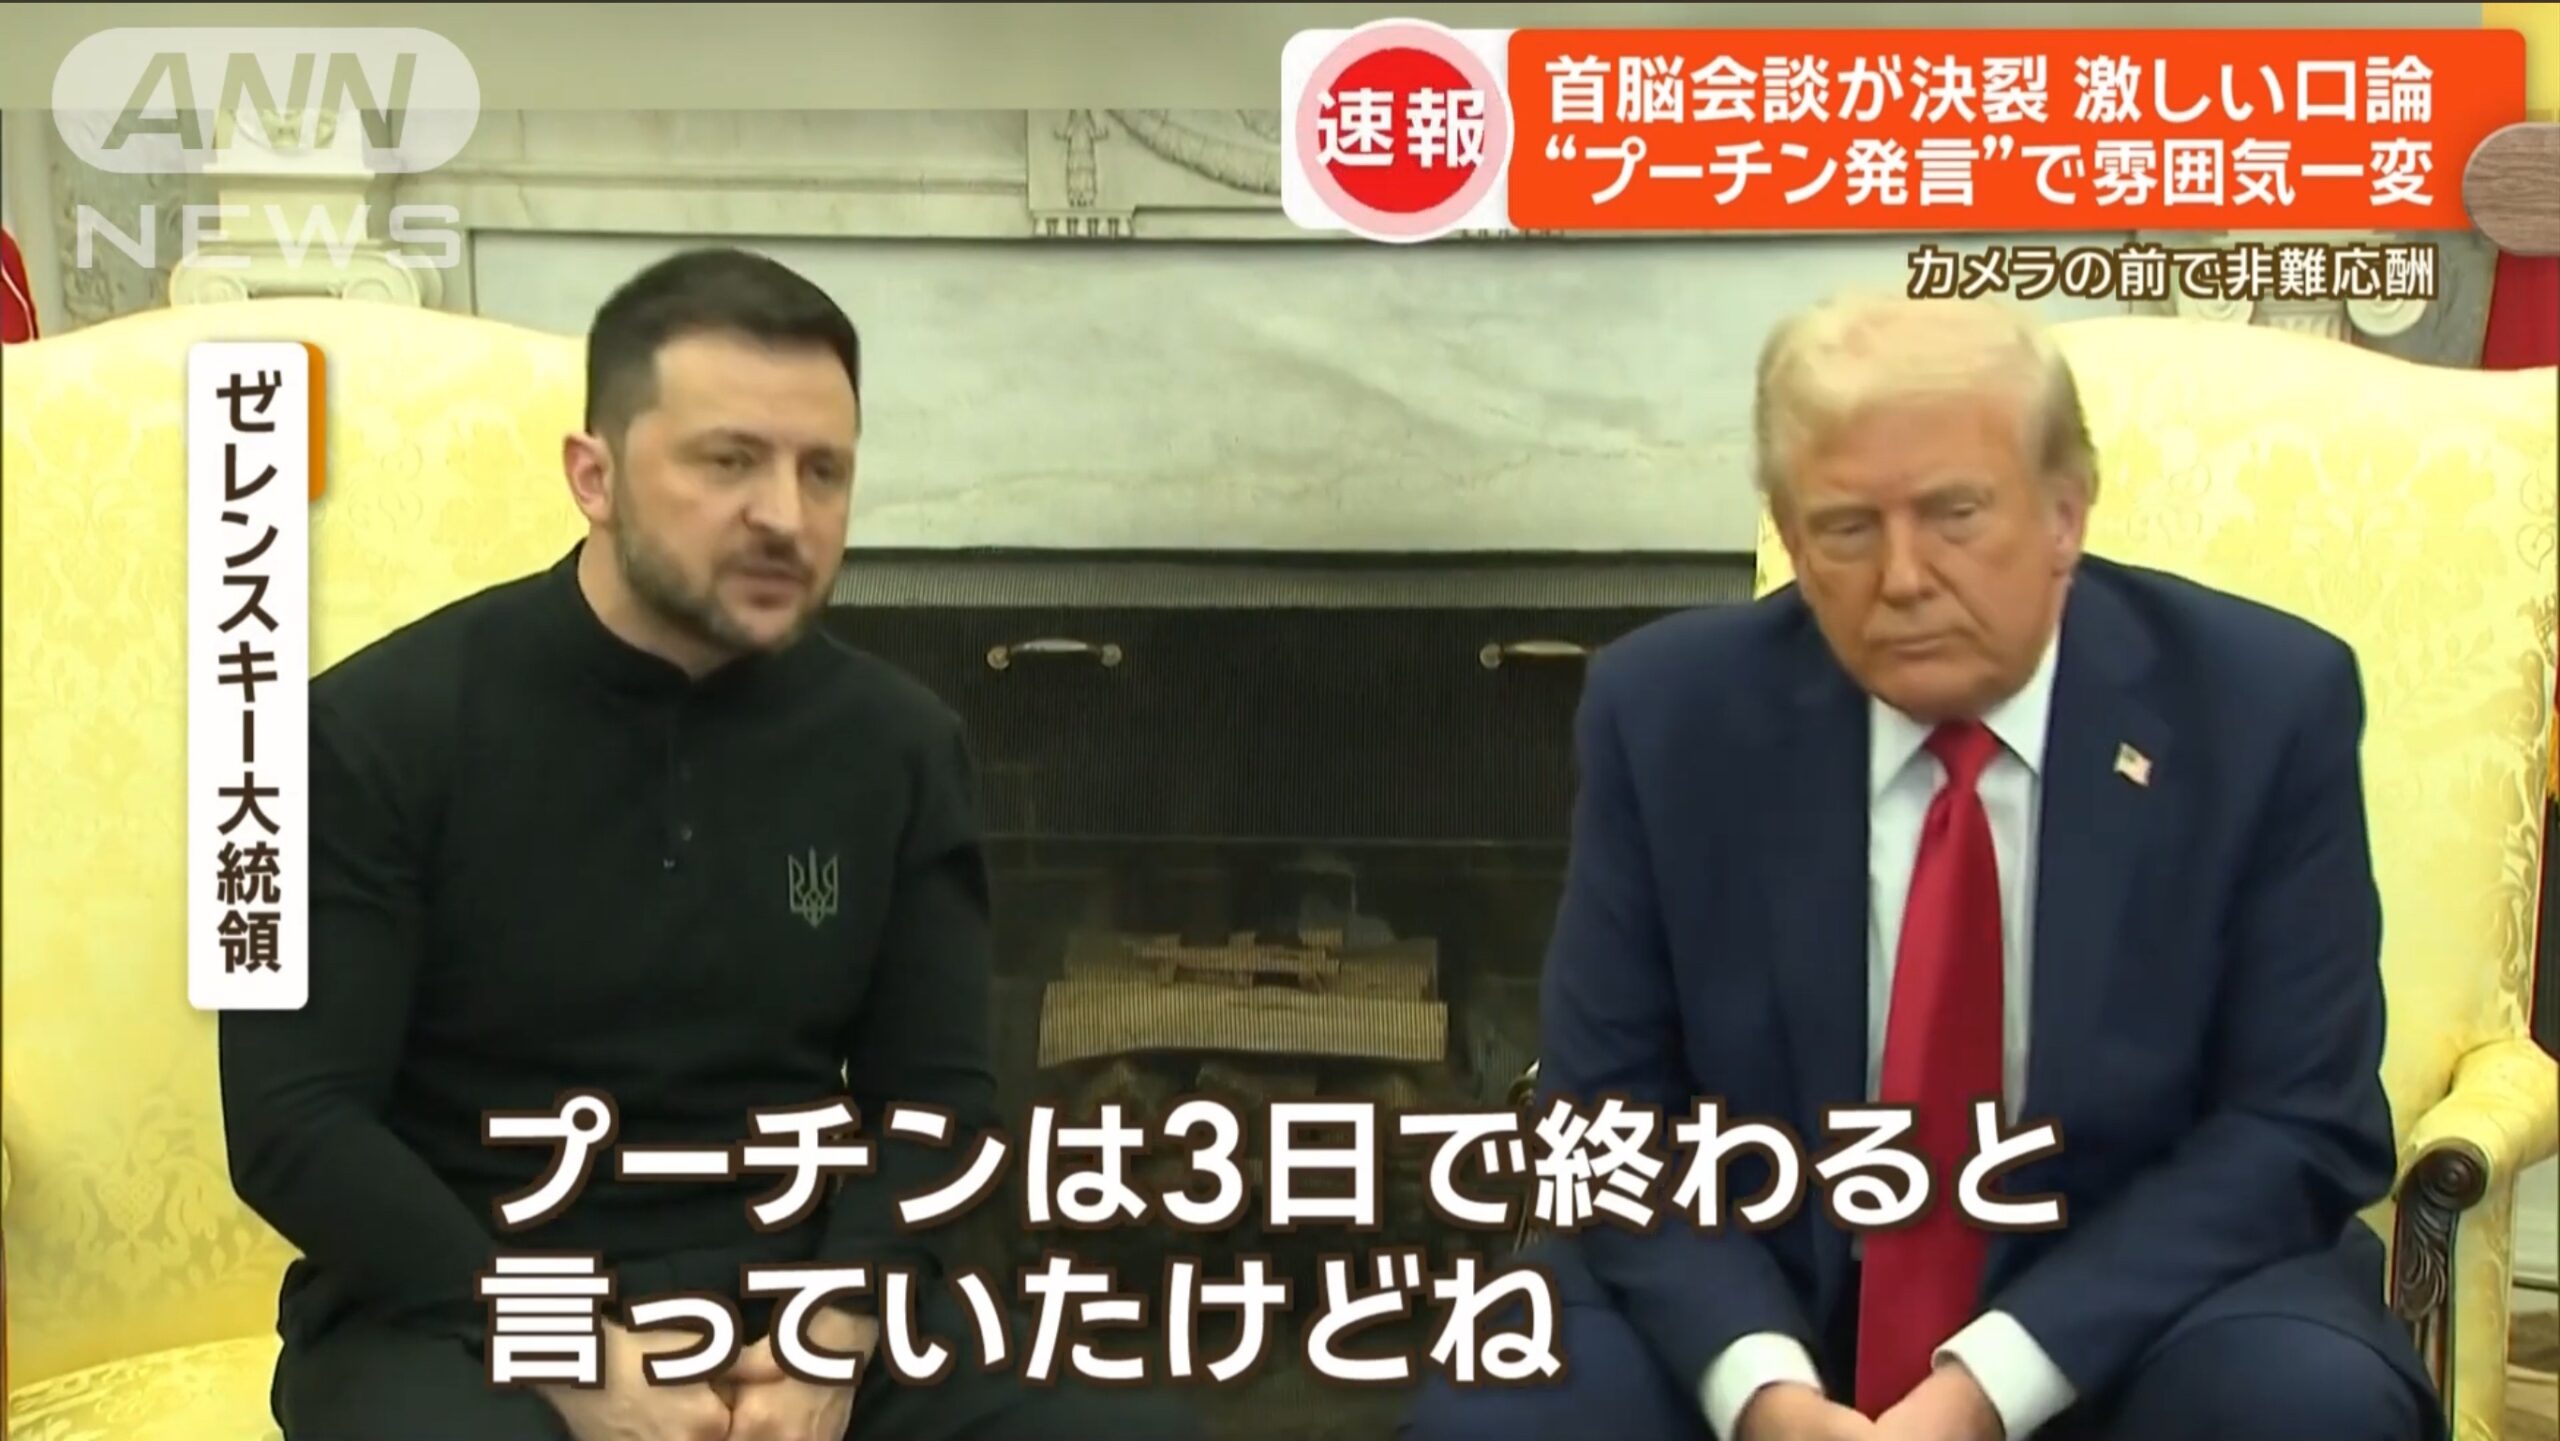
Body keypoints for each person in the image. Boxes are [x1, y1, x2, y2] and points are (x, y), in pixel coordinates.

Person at [1404, 294, 2437, 1441]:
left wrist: (1986, 1386)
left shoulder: (2258, 704)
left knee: (2302, 1404)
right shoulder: (1667, 711)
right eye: (1847, 527)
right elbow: (1608, 1107)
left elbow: (2297, 1120)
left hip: (2147, 1292)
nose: (1902, 576)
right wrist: (1762, 1393)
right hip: (1753, 1275)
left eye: (1956, 514)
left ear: (2063, 514)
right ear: (1793, 540)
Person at [219, 246, 1205, 1441]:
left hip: (798, 1296)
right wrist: (574, 1351)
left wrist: (833, 1330)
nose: (785, 516)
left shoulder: (898, 744)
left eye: (822, 470)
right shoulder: (356, 731)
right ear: (594, 476)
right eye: (728, 461)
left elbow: (937, 1098)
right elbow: (293, 1123)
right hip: (460, 1310)